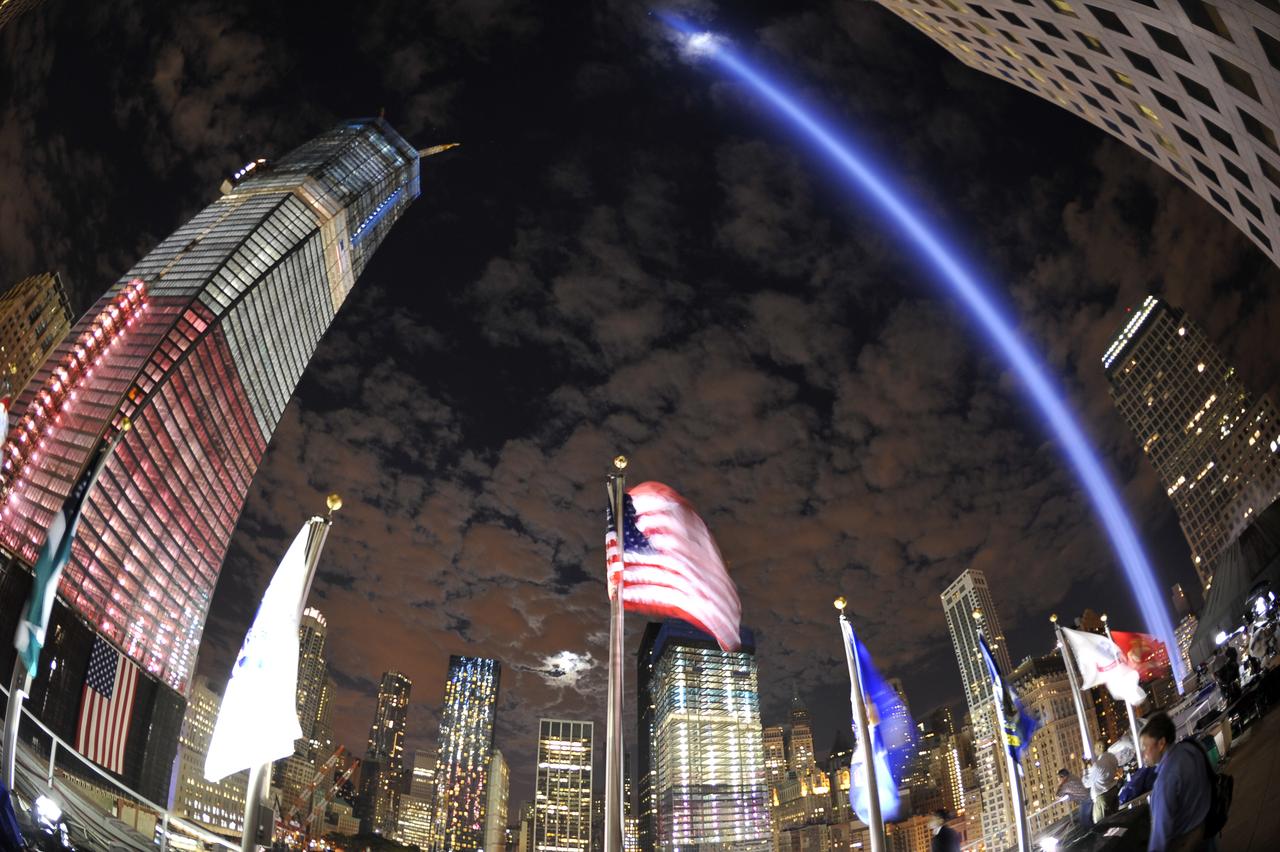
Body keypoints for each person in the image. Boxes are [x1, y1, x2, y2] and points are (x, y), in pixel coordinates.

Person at [1141, 712, 1214, 851]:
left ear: (1161, 743)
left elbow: (1160, 835)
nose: (1143, 753)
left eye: (1145, 746)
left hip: (1188, 844)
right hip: (1206, 832)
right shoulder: (1191, 748)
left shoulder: (1165, 781)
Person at [1083, 741, 1120, 822]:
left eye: (1095, 747)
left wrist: (1085, 768)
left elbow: (1086, 783)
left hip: (1102, 798)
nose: (1094, 750)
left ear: (1100, 746)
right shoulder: (1112, 757)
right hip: (1113, 791)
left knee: (1102, 827)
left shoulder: (1098, 764)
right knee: (1116, 822)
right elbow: (1100, 774)